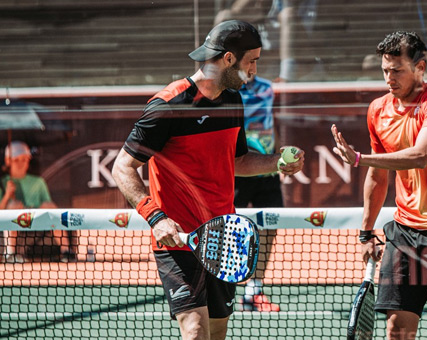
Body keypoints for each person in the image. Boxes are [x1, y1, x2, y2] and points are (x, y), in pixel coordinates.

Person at [111, 20, 304, 340]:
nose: (255, 69)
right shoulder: (168, 106)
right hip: (178, 241)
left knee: (216, 333)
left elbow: (237, 161)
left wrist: (276, 162)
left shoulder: (232, 102)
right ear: (229, 59)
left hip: (223, 240)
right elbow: (122, 168)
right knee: (196, 331)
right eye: (251, 60)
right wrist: (155, 217)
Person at [331, 31, 427, 340]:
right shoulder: (377, 110)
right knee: (397, 330)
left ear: (420, 68)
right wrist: (365, 232)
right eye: (385, 70)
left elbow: (421, 155)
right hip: (404, 234)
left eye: (397, 70)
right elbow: (377, 175)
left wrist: (360, 158)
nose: (389, 78)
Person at [235, 75, 282, 312]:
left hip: (267, 170)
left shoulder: (266, 88)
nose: (252, 67)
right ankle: (224, 287)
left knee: (269, 228)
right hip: (237, 170)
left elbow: (270, 121)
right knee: (228, 228)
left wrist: (277, 157)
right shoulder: (226, 91)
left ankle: (254, 291)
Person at [0, 141, 76, 263]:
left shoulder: (38, 182)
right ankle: (10, 253)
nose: (21, 163)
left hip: (36, 220)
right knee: (13, 206)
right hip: (12, 221)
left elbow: (48, 206)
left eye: (24, 159)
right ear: (8, 161)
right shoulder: (3, 182)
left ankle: (66, 250)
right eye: (17, 160)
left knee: (49, 206)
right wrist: (7, 195)